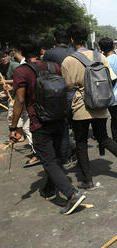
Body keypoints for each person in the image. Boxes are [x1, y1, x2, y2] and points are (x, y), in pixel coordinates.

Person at [11, 36, 85, 215]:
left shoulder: (22, 71)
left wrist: (14, 127)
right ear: (41, 51)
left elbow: (20, 99)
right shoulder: (54, 67)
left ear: (22, 52)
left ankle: (72, 194)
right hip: (59, 118)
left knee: (48, 160)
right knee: (58, 157)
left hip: (39, 122)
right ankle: (49, 189)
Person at [61, 24, 117, 190]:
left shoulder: (68, 61)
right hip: (100, 105)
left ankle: (88, 180)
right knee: (103, 137)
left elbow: (68, 86)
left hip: (81, 107)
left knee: (81, 142)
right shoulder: (100, 56)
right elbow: (112, 78)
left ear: (71, 39)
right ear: (85, 38)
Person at [43, 26, 76, 168]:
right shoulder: (75, 52)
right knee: (76, 127)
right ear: (69, 39)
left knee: (63, 127)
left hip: (59, 94)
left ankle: (64, 157)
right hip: (77, 93)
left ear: (55, 39)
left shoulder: (49, 54)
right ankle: (77, 154)